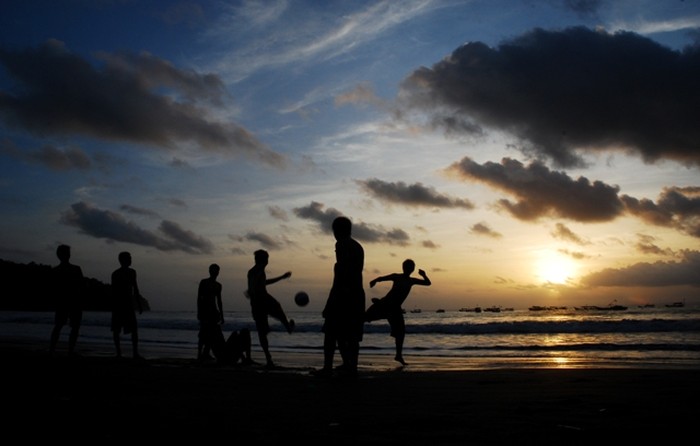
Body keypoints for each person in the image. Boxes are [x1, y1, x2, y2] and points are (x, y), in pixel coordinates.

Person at [318, 216, 365, 378]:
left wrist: (329, 303)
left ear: (337, 230)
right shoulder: (357, 246)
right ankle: (351, 366)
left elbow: (340, 277)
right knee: (351, 335)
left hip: (344, 295)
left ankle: (328, 367)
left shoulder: (342, 245)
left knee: (331, 332)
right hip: (357, 294)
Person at [366, 259, 432, 365]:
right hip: (384, 304)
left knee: (400, 333)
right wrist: (374, 281)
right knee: (363, 318)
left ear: (412, 269)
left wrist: (424, 275)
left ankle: (398, 356)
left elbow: (428, 283)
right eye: (408, 267)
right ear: (404, 268)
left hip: (395, 309)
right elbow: (382, 278)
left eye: (411, 267)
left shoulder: (411, 280)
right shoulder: (397, 276)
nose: (409, 269)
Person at [246, 249, 295, 368]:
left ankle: (269, 359)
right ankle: (287, 327)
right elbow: (254, 282)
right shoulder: (257, 270)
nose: (268, 261)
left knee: (263, 331)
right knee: (275, 311)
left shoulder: (257, 270)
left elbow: (263, 282)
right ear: (263, 260)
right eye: (266, 258)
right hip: (261, 299)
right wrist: (252, 291)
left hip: (258, 301)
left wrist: (281, 277)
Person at [49, 244, 85, 357]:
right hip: (71, 302)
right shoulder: (75, 269)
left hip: (66, 302)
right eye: (67, 253)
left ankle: (54, 350)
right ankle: (68, 350)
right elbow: (81, 286)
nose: (68, 255)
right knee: (71, 327)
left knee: (61, 326)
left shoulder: (56, 270)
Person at [111, 251, 144, 360]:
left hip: (125, 304)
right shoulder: (117, 274)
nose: (131, 260)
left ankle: (131, 353)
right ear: (123, 260)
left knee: (130, 329)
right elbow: (115, 291)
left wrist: (138, 304)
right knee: (118, 329)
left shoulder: (129, 272)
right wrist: (139, 304)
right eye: (129, 258)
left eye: (130, 258)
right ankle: (121, 353)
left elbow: (135, 288)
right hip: (121, 304)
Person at [197, 263, 224, 361]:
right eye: (213, 270)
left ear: (218, 272)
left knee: (211, 333)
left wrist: (222, 315)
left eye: (216, 271)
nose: (214, 272)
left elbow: (219, 301)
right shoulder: (204, 282)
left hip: (214, 312)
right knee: (203, 333)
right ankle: (199, 354)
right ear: (209, 271)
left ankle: (206, 353)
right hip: (205, 311)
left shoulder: (218, 285)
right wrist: (199, 311)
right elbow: (199, 298)